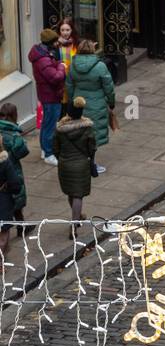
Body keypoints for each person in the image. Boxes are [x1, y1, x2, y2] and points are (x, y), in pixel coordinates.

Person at [67, 39, 116, 176]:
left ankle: (82, 162)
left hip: (79, 103)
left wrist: (72, 102)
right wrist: (111, 102)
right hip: (97, 104)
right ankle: (91, 164)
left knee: (80, 133)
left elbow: (69, 86)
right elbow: (109, 87)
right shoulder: (100, 66)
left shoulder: (72, 65)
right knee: (93, 135)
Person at [54, 96, 97, 240]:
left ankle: (77, 216)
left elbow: (55, 148)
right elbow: (92, 148)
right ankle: (74, 224)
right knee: (78, 194)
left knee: (71, 192)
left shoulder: (60, 129)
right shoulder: (87, 128)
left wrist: (62, 157)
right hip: (81, 164)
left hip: (65, 164)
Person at [28, 28, 66, 165]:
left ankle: (45, 149)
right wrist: (61, 67)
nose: (57, 43)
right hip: (50, 95)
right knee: (50, 125)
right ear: (50, 42)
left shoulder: (42, 54)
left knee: (46, 123)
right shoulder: (43, 59)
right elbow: (55, 77)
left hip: (46, 94)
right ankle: (49, 153)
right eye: (55, 41)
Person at [0, 102, 28, 239]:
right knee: (16, 198)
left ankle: (22, 226)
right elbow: (22, 152)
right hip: (12, 170)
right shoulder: (14, 135)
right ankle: (20, 227)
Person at [57, 19, 78, 110]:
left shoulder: (77, 43)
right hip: (61, 78)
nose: (65, 33)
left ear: (72, 30)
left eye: (67, 30)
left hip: (74, 77)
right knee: (63, 103)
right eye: (62, 30)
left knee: (73, 102)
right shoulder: (56, 44)